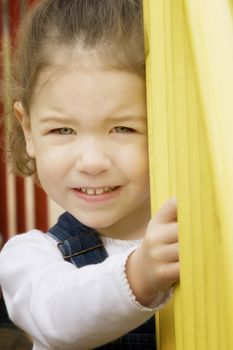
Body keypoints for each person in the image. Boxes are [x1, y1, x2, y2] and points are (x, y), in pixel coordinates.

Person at [0, 1, 179, 349]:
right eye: (63, 130)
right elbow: (60, 318)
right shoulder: (28, 258)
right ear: (29, 131)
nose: (93, 161)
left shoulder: (201, 238)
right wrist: (138, 275)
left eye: (123, 128)